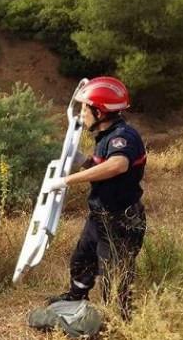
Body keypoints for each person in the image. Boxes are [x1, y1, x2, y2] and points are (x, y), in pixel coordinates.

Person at [46, 77, 147, 320]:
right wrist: (82, 160)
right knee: (82, 260)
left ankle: (119, 322)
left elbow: (118, 165)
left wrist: (67, 181)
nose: (81, 114)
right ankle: (76, 296)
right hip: (99, 216)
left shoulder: (123, 136)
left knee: (115, 276)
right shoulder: (105, 135)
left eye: (85, 109)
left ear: (100, 113)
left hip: (120, 221)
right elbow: (102, 167)